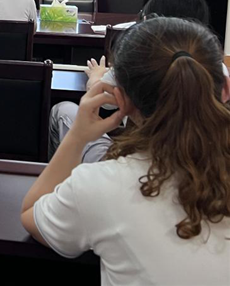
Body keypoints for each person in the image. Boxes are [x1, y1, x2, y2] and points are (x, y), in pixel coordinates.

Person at [21, 17, 230, 285]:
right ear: (225, 89)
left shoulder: (101, 184)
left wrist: (77, 136)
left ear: (121, 99)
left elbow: (32, 214)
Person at [49, 0, 225, 162]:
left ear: (148, 21)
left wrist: (95, 77)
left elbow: (102, 99)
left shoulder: (138, 59)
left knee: (62, 110)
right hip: (202, 161)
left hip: (134, 160)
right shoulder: (216, 66)